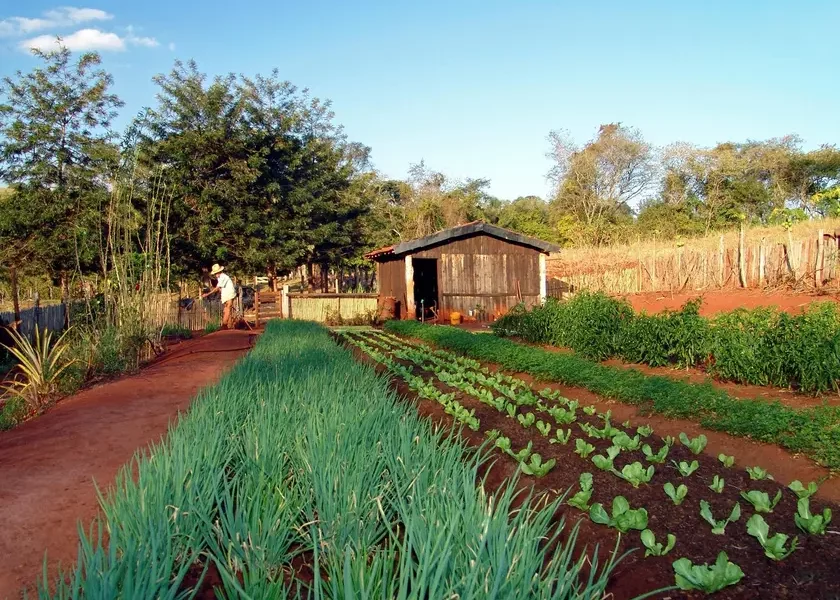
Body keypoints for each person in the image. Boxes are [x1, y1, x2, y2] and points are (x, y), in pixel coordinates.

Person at [202, 264, 237, 329]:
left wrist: (207, 294)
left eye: (216, 273)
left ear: (219, 272)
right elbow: (220, 288)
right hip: (225, 294)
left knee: (228, 308)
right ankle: (228, 325)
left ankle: (224, 324)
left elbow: (217, 288)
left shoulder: (223, 277)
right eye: (215, 273)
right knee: (226, 309)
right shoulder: (220, 278)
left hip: (229, 293)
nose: (215, 275)